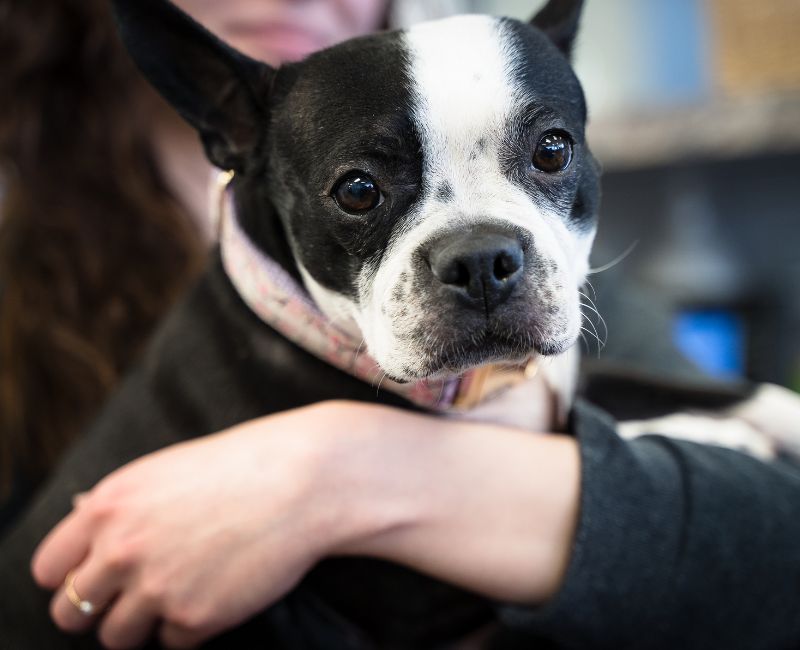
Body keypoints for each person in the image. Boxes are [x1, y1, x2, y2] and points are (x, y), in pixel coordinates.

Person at [1, 1, 800, 649]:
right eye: (361, 193)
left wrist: (347, 474)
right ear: (235, 133)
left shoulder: (573, 290)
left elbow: (772, 544)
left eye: (546, 156)